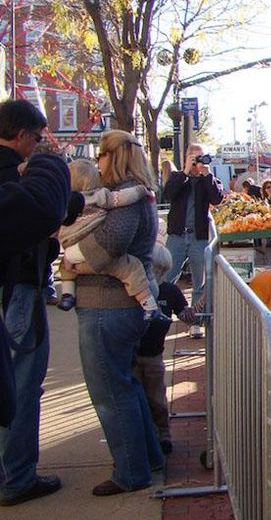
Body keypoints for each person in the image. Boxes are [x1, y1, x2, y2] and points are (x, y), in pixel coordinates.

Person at [74, 130, 164, 496]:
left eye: (101, 155)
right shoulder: (133, 196)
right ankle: (147, 457)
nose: (97, 162)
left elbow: (109, 245)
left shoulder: (125, 200)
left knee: (111, 391)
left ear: (115, 156)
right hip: (114, 306)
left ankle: (131, 470)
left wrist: (76, 257)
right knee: (124, 385)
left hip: (108, 306)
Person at [0, 104, 72, 506]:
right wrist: (50, 167)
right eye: (38, 138)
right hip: (18, 290)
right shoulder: (16, 173)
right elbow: (38, 212)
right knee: (22, 385)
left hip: (20, 289)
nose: (39, 145)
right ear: (23, 135)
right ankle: (18, 477)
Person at [56, 159, 160, 320]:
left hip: (71, 247)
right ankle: (148, 304)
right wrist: (140, 190)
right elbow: (122, 198)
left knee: (65, 267)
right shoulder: (97, 196)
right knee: (131, 268)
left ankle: (68, 294)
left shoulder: (62, 202)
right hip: (95, 248)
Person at [134, 246, 194, 456]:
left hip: (153, 355)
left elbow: (184, 314)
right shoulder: (136, 288)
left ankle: (163, 435)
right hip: (132, 353)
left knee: (156, 398)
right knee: (137, 399)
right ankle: (145, 437)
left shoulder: (170, 291)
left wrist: (192, 312)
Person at [163, 144, 224, 318]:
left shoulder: (208, 180)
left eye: (201, 158)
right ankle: (166, 314)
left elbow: (217, 199)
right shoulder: (177, 177)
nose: (198, 162)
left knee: (200, 282)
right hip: (177, 236)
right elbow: (168, 194)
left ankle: (196, 321)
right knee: (167, 277)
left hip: (199, 237)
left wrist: (207, 174)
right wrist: (185, 172)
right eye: (194, 158)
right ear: (187, 158)